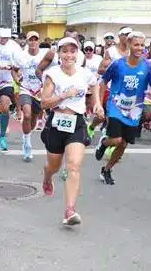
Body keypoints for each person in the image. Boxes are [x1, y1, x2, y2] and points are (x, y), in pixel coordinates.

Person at [40, 37, 102, 225]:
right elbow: (44, 102)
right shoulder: (53, 74)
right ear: (59, 54)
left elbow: (95, 84)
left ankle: (70, 210)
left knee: (74, 165)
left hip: (77, 122)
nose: (69, 55)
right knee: (54, 165)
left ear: (78, 54)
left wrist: (97, 103)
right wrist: (65, 95)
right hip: (57, 123)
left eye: (72, 51)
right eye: (65, 51)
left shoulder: (85, 74)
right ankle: (47, 176)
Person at [95, 32, 151, 184]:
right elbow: (103, 82)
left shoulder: (148, 66)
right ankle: (104, 143)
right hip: (116, 106)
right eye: (136, 44)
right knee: (116, 140)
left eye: (142, 45)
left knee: (123, 144)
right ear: (129, 45)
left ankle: (107, 169)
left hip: (134, 111)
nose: (140, 48)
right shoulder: (118, 64)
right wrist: (98, 104)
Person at [14, 31, 47, 162]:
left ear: (38, 41)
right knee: (26, 115)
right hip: (26, 88)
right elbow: (14, 69)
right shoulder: (21, 56)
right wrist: (16, 79)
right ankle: (27, 144)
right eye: (30, 40)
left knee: (33, 117)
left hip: (39, 90)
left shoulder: (44, 55)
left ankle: (27, 135)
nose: (33, 42)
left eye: (35, 39)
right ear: (27, 42)